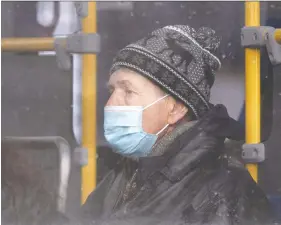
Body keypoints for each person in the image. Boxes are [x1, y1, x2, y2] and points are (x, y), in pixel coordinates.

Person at [76, 24, 274, 225]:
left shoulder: (225, 191)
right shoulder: (124, 173)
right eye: (112, 91)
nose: (110, 104)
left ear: (176, 109)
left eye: (128, 92)